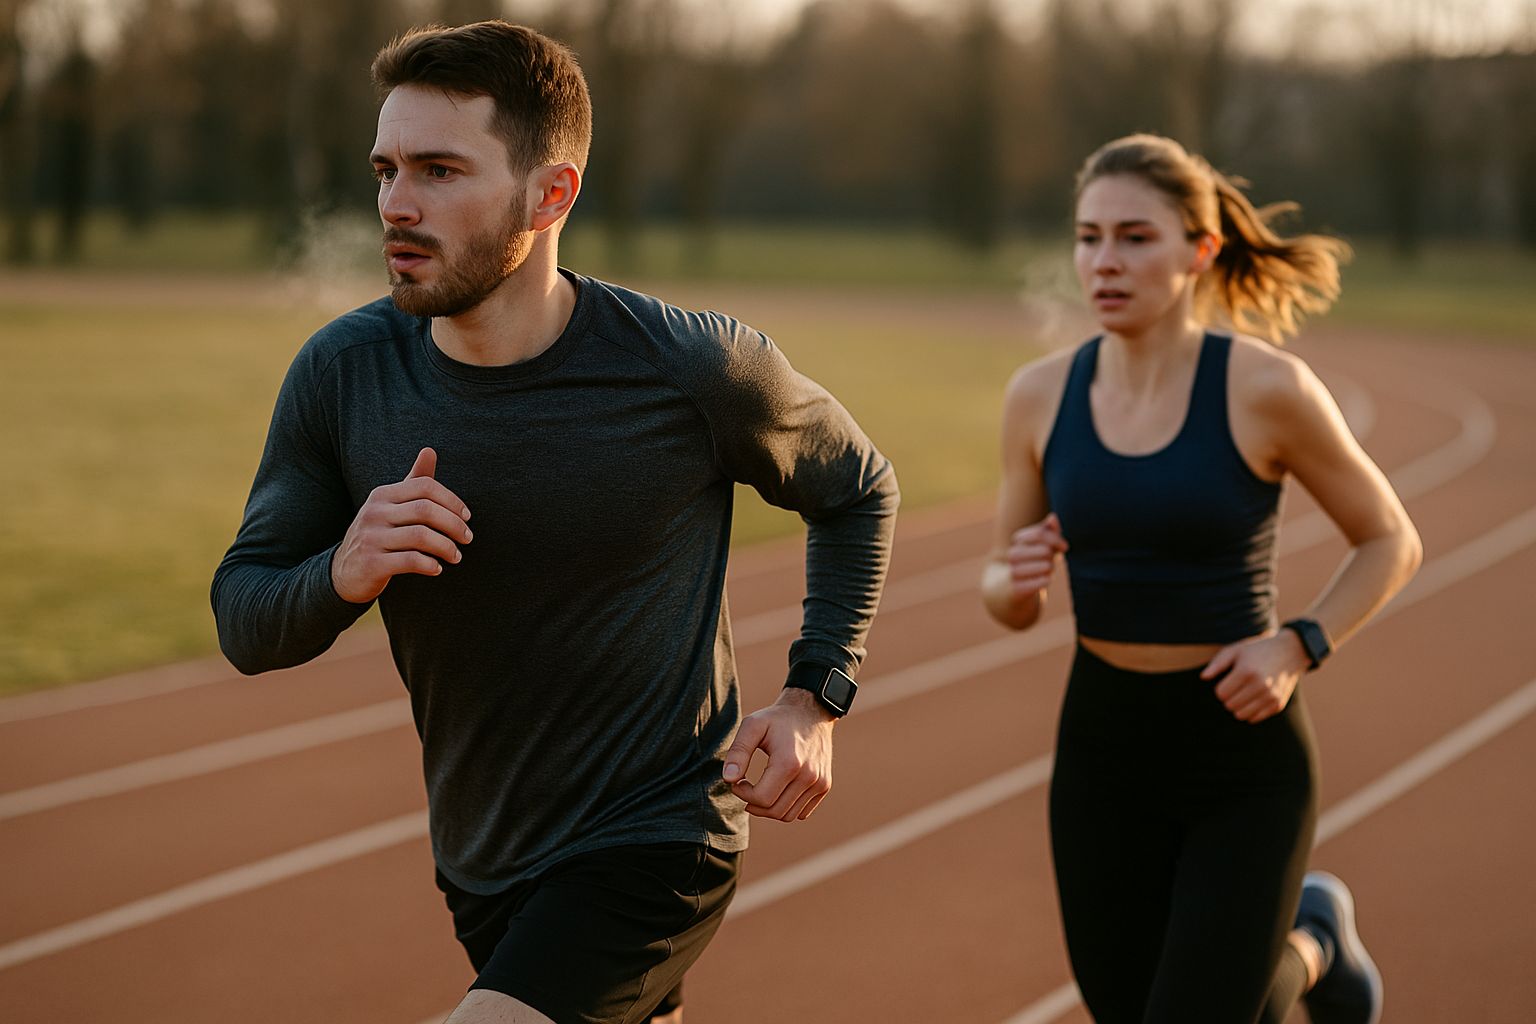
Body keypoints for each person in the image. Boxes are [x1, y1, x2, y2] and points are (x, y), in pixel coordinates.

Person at [211, 21, 897, 1024]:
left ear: (552, 193)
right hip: (482, 855)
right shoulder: (342, 373)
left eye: (440, 170)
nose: (397, 204)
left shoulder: (691, 369)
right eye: (385, 169)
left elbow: (857, 487)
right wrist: (343, 571)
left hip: (657, 838)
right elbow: (243, 615)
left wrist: (815, 697)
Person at [982, 133, 1422, 1024]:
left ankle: (1311, 937)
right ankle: (1317, 940)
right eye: (1088, 236)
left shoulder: (1268, 389)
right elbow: (1005, 594)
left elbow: (1389, 539)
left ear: (1200, 249)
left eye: (1135, 237)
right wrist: (1016, 579)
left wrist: (1299, 645)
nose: (1104, 261)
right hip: (1103, 749)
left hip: (1240, 755)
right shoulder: (1038, 395)